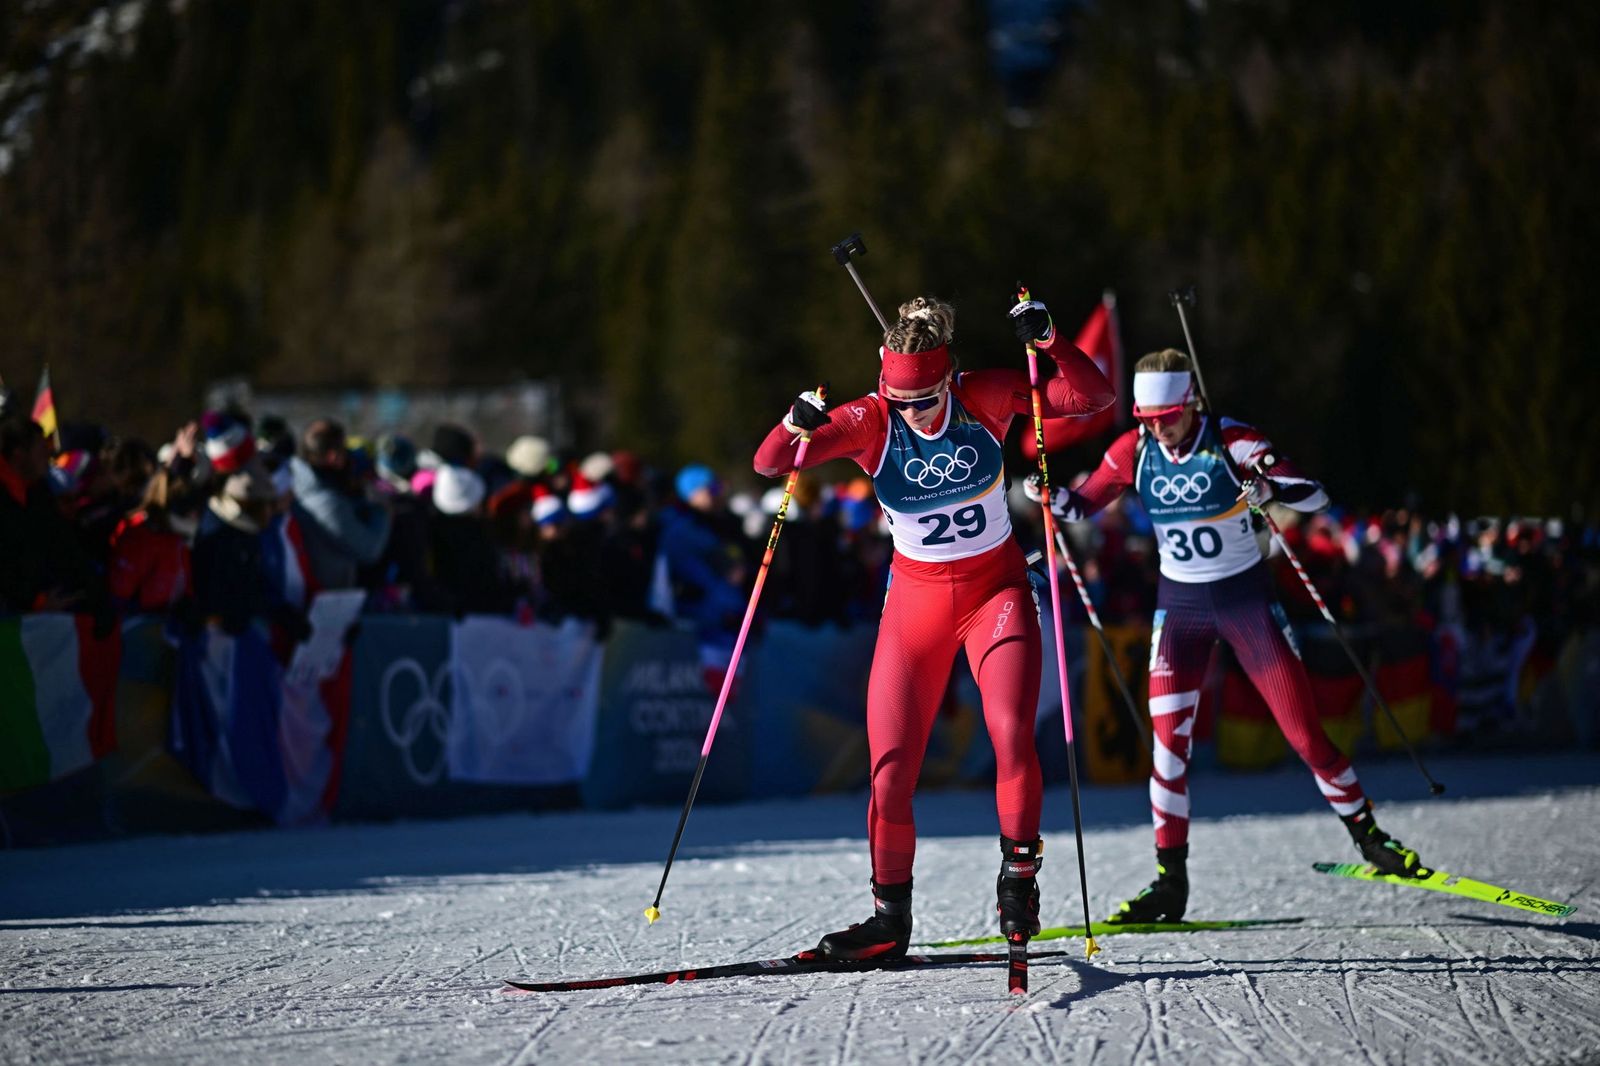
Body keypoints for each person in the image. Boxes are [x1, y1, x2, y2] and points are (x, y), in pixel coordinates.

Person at [753, 294, 1113, 958]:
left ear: (948, 380)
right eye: (898, 399)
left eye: (921, 400)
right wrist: (795, 419)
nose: (909, 413)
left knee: (1009, 736)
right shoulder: (872, 419)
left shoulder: (987, 395)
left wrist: (1052, 341)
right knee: (889, 771)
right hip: (914, 608)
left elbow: (1091, 398)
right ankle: (889, 920)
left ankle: (1018, 881)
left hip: (995, 593)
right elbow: (772, 464)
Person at [1025, 347, 1429, 925]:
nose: (1158, 429)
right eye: (1147, 419)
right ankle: (1170, 883)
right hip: (1180, 614)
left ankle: (1370, 838)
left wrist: (1271, 489)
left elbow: (1314, 495)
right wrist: (1051, 497)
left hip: (1246, 608)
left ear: (1191, 404)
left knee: (1306, 738)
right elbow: (1084, 503)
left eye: (1167, 416)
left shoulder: (1230, 439)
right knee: (1167, 753)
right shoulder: (1137, 448)